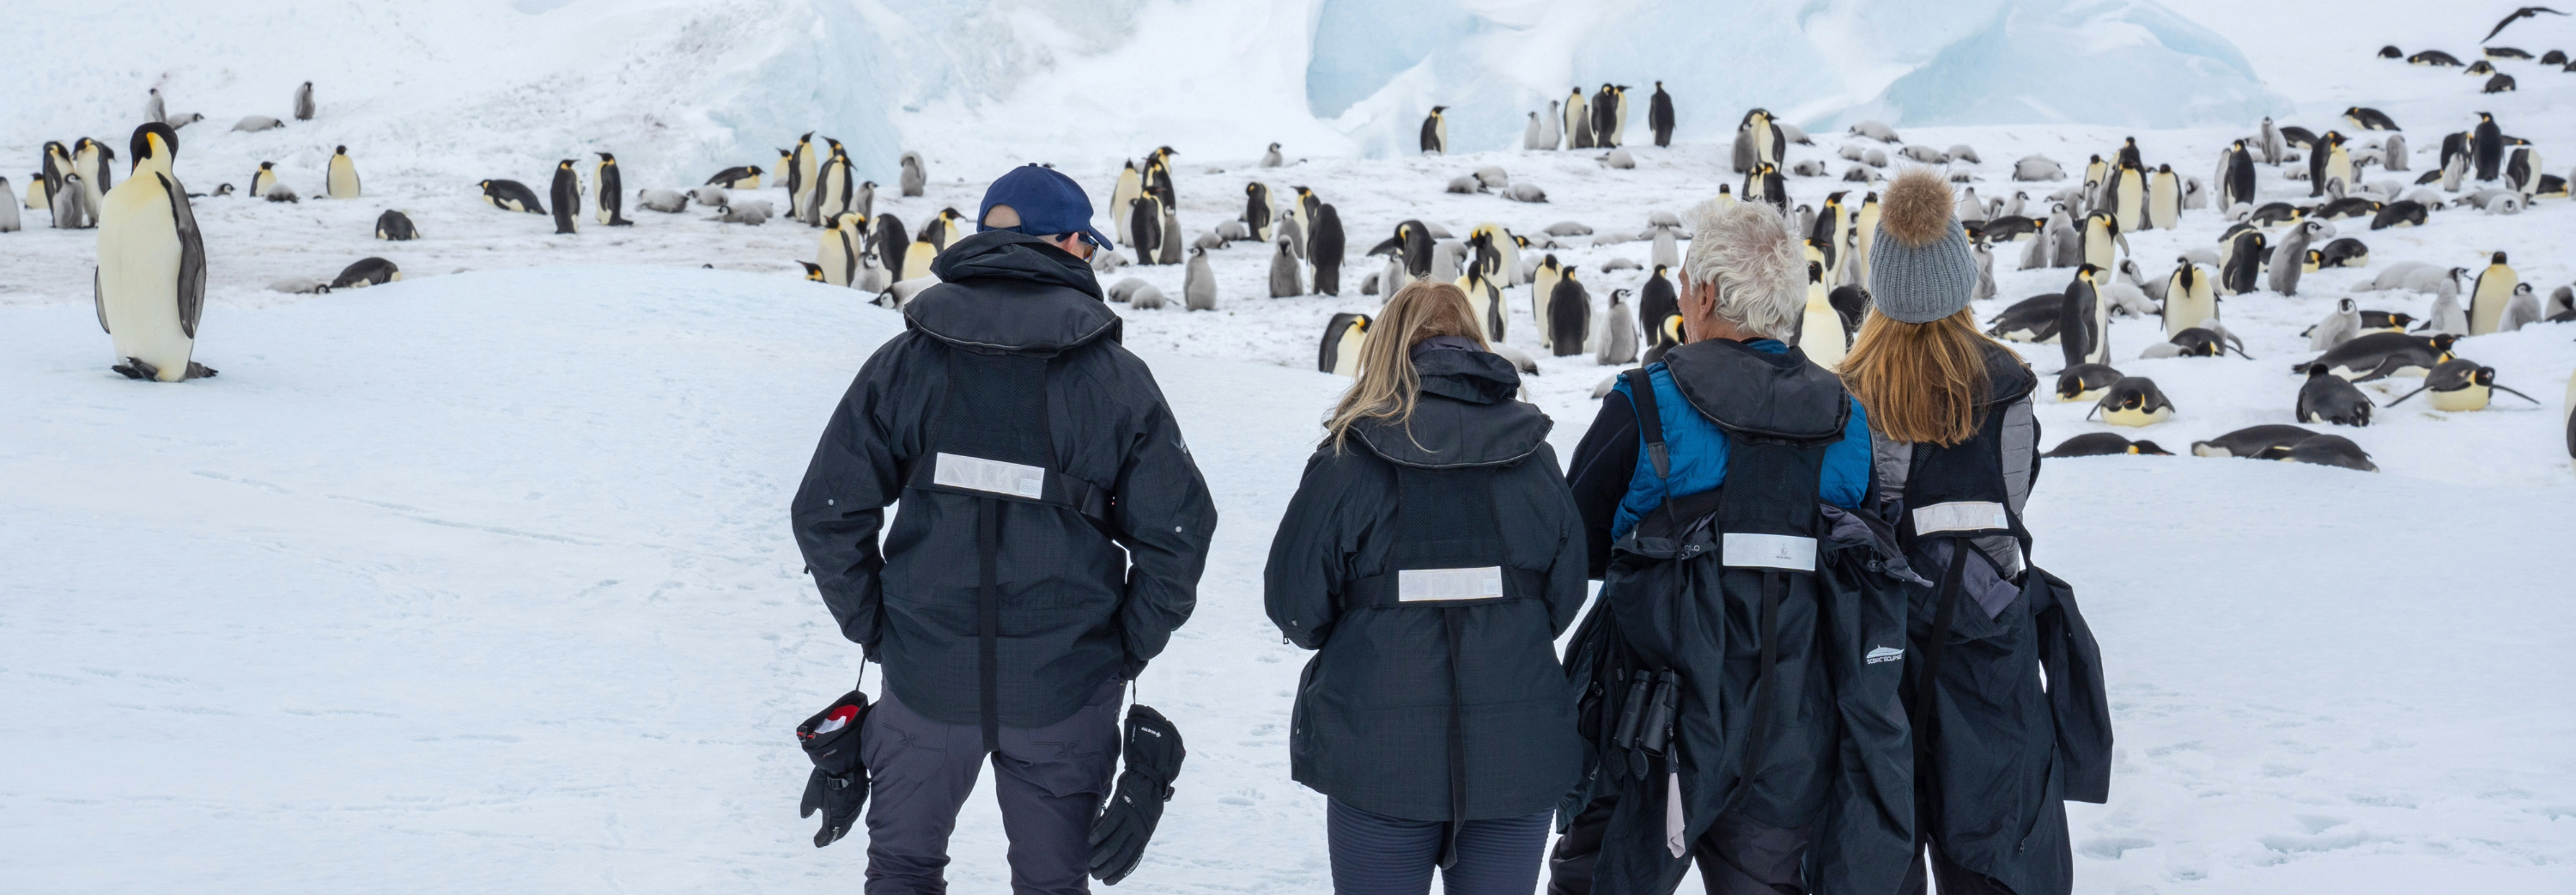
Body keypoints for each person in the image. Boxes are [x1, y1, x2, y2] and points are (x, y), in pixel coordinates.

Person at [791, 163, 1218, 895]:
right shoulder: (1114, 381)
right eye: (1087, 243)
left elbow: (827, 511)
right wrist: (1118, 651)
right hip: (1064, 690)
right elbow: (1177, 535)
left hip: (925, 683)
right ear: (1064, 245)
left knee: (900, 873)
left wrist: (882, 631)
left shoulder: (906, 363)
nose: (1090, 256)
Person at [1550, 198, 1917, 895]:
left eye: (1687, 280)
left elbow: (1576, 542)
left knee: (1600, 881)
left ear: (1709, 295)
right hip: (1794, 725)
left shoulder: (1646, 402)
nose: (1683, 294)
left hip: (1651, 725)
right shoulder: (1845, 418)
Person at [1264, 281, 1589, 895]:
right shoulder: (1534, 456)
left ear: (1386, 348)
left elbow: (1294, 605)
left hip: (1377, 756)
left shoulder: (1348, 457)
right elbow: (1564, 595)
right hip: (1514, 755)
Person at [1839, 168, 2111, 895]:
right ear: (1961, 279)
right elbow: (2014, 502)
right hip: (1991, 650)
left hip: (1881, 657)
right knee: (1998, 863)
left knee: (1878, 860)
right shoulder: (2013, 389)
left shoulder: (1851, 395)